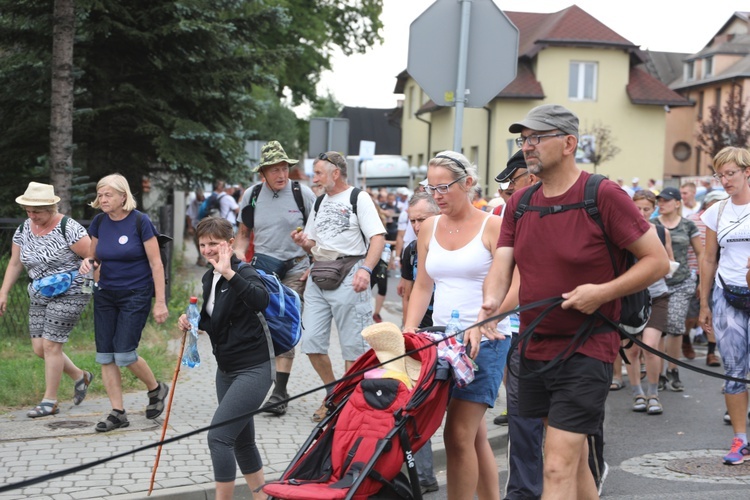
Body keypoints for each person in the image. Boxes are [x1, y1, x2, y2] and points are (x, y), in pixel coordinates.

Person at [478, 104, 668, 499]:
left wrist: (602, 292)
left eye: (536, 138)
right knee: (573, 457)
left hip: (589, 346)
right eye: (523, 139)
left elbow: (658, 261)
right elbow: (502, 263)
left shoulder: (603, 194)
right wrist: (490, 304)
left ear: (568, 143)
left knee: (556, 464)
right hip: (534, 346)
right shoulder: (520, 202)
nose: (527, 146)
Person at [402, 151, 511, 500]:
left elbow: (517, 285)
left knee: (457, 435)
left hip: (487, 341)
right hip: (442, 344)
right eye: (430, 187)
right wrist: (407, 332)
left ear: (468, 182)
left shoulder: (493, 225)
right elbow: (423, 285)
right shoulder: (430, 226)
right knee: (474, 434)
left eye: (444, 186)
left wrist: (487, 319)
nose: (437, 195)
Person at [177, 217, 271, 500]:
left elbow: (260, 301)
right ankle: (262, 497)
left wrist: (230, 272)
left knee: (218, 438)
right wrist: (191, 320)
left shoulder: (245, 272)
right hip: (226, 370)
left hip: (254, 369)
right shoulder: (209, 278)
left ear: (229, 244)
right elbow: (214, 321)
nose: (207, 250)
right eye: (203, 244)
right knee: (242, 442)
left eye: (214, 244)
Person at [291, 151, 386, 422]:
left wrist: (366, 270)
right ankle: (335, 394)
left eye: (319, 173)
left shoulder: (359, 198)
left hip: (350, 274)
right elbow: (312, 242)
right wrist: (302, 242)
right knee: (310, 342)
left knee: (354, 347)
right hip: (320, 273)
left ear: (335, 173)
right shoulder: (319, 202)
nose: (314, 178)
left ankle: (347, 403)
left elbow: (377, 238)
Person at [80, 173, 169, 432]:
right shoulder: (99, 222)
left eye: (108, 194)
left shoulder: (140, 222)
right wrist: (89, 264)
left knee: (125, 353)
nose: (102, 199)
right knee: (106, 355)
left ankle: (156, 388)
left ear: (122, 196)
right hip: (106, 294)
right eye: (100, 194)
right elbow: (94, 257)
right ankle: (118, 412)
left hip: (136, 293)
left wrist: (160, 302)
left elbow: (156, 263)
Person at [234, 140, 316, 417]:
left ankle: (280, 392)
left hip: (296, 267)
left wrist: (314, 263)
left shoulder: (301, 193)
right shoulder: (252, 195)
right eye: (275, 170)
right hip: (264, 268)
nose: (282, 174)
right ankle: (256, 383)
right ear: (263, 173)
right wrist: (234, 264)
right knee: (261, 326)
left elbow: (319, 235)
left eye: (285, 168)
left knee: (285, 322)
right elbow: (243, 234)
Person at [0, 182, 94, 418]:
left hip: (72, 290)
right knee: (40, 348)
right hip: (40, 291)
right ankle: (80, 376)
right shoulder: (23, 230)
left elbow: (93, 255)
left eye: (37, 212)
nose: (32, 216)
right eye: (28, 211)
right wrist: (3, 292)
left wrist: (92, 272)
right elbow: (15, 263)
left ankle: (49, 401)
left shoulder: (68, 227)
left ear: (51, 208)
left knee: (52, 345)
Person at [699, 146, 750, 465]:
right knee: (734, 370)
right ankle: (740, 439)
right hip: (727, 296)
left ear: (748, 172)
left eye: (731, 173)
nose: (725, 180)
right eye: (720, 175)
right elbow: (708, 258)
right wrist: (703, 302)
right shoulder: (716, 211)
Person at [399, 191, 441, 494]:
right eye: (412, 220)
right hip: (421, 334)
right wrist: (406, 333)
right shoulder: (411, 249)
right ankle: (424, 476)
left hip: (452, 332)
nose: (416, 225)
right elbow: (408, 292)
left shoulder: (450, 243)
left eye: (421, 219)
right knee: (416, 405)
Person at [623, 190, 675, 415]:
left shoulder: (661, 231)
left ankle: (653, 393)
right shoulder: (622, 232)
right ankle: (638, 393)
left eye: (647, 209)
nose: (642, 213)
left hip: (657, 295)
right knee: (632, 350)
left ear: (653, 209)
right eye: (637, 209)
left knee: (651, 346)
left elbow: (670, 261)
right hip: (632, 297)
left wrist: (665, 267)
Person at [654, 186, 703, 391]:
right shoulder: (651, 224)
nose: (661, 204)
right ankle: (659, 372)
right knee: (658, 329)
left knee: (675, 325)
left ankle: (672, 369)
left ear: (677, 203)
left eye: (666, 200)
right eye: (660, 200)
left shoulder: (687, 225)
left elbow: (701, 253)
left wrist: (701, 279)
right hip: (657, 282)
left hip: (682, 282)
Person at [686, 189, 729, 369]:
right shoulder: (692, 220)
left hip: (717, 275)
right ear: (707, 204)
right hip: (692, 273)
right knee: (690, 315)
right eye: (715, 203)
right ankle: (684, 338)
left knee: (714, 312)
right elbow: (694, 251)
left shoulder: (727, 220)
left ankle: (711, 352)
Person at [186, 186, 207, 266]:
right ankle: (201, 257)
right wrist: (190, 227)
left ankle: (203, 258)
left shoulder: (206, 202)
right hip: (196, 226)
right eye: (198, 195)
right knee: (198, 242)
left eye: (201, 195)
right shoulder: (193, 202)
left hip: (205, 226)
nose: (199, 196)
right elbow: (189, 215)